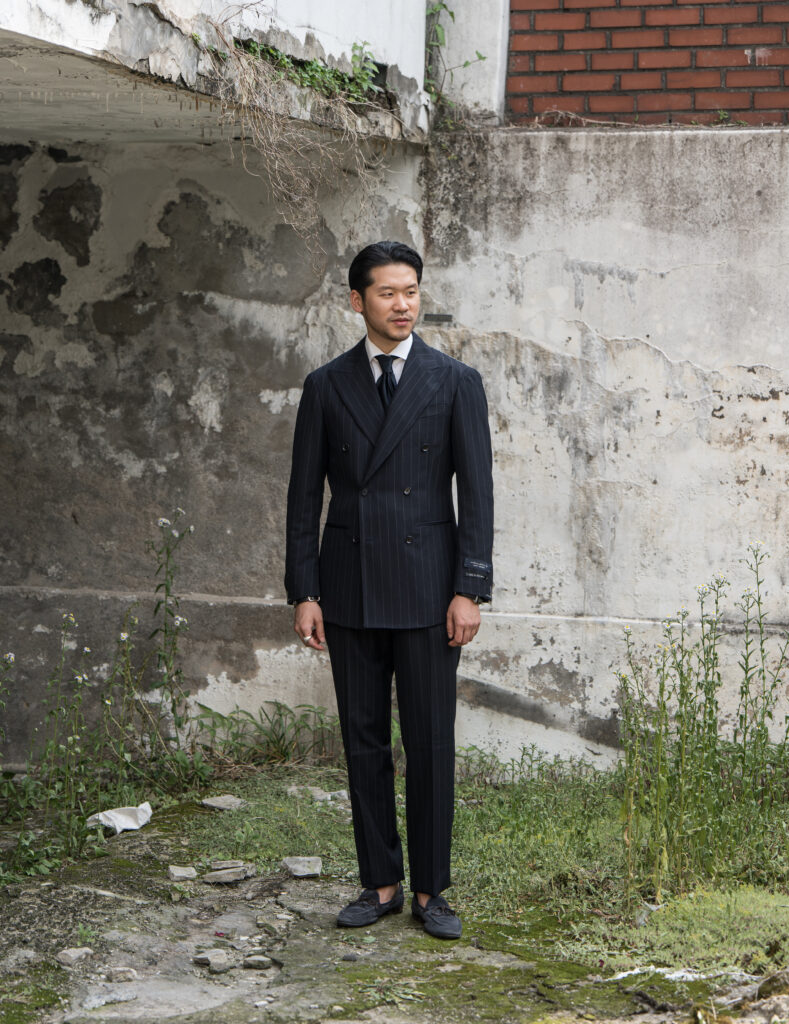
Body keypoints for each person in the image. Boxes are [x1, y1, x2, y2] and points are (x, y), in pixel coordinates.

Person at [284, 241, 493, 939]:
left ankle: (431, 890)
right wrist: (305, 590)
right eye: (387, 293)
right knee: (363, 740)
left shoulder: (455, 381)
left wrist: (470, 589)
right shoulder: (326, 385)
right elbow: (302, 497)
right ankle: (379, 883)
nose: (403, 305)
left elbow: (478, 496)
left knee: (430, 742)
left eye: (412, 292)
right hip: (349, 587)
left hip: (431, 589)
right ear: (357, 301)